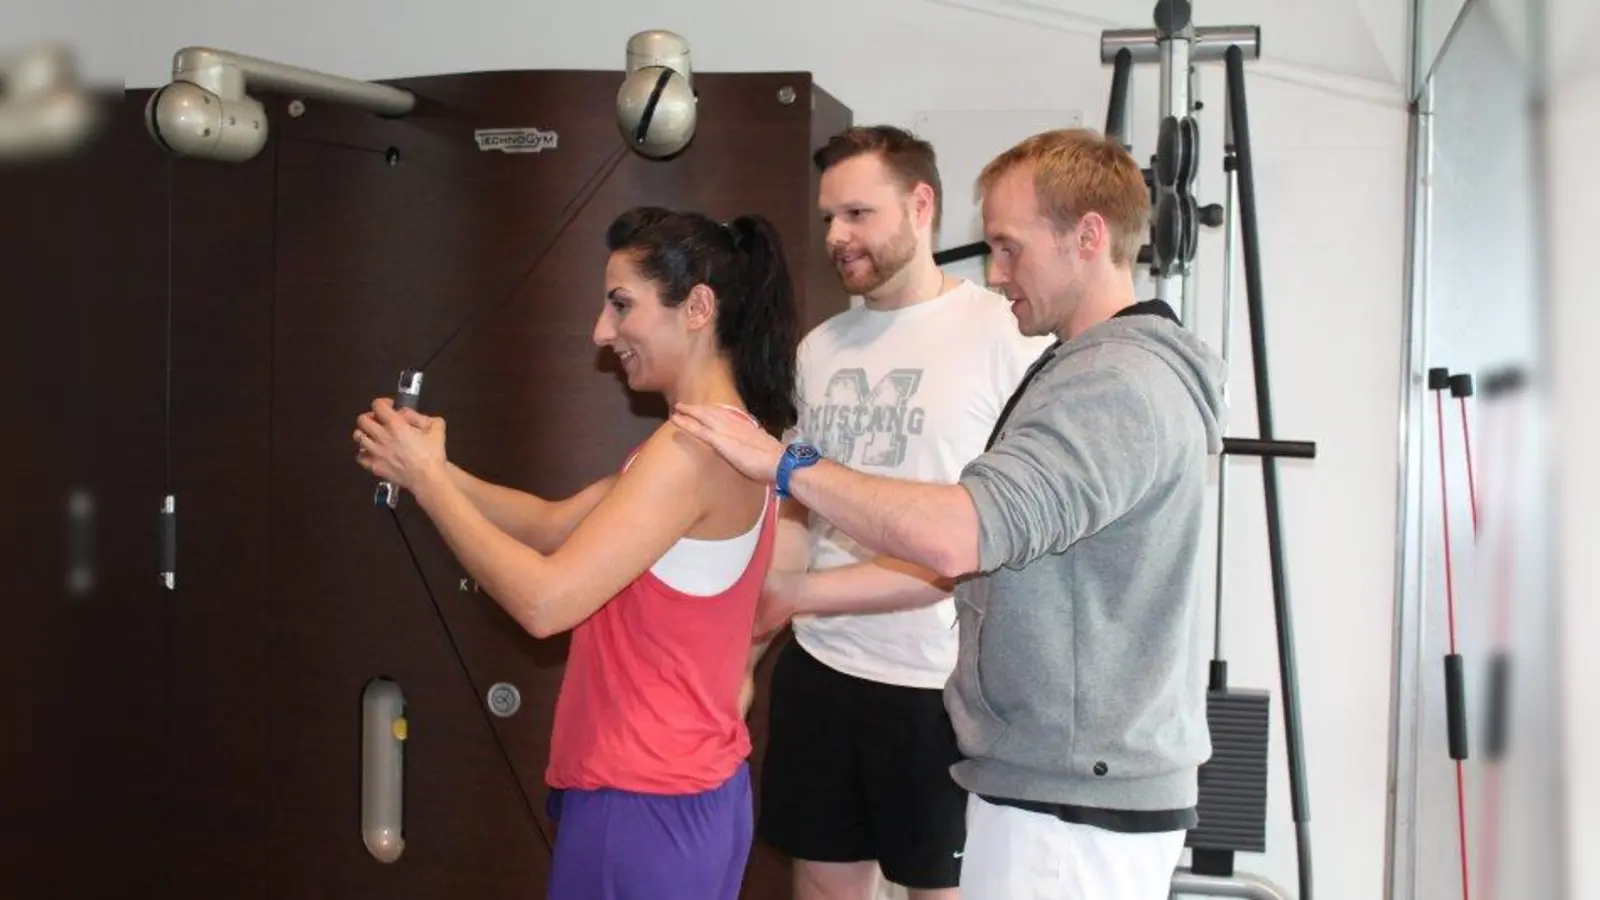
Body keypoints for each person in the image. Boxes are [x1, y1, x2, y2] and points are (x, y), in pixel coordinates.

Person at [674, 127, 1226, 900]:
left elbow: (957, 533)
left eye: (1009, 246)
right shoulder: (1080, 369)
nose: (997, 271)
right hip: (1033, 772)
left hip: (1069, 794)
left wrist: (786, 467)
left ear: (1088, 237)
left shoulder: (1114, 385)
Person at [352, 205, 800, 900]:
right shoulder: (728, 437)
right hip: (690, 794)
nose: (601, 331)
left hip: (644, 800)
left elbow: (543, 602)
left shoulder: (688, 454)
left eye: (622, 305)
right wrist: (424, 467)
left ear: (698, 308)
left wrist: (431, 482)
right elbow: (551, 524)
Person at [744, 124, 1052, 900]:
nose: (836, 237)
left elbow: (973, 542)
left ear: (921, 205)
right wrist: (762, 622)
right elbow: (795, 508)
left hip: (937, 686)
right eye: (827, 219)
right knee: (818, 885)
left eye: (857, 214)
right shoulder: (821, 348)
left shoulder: (1002, 337)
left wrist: (796, 596)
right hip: (821, 671)